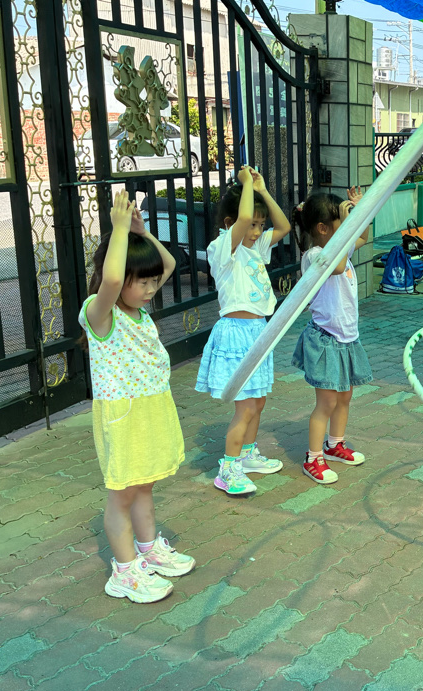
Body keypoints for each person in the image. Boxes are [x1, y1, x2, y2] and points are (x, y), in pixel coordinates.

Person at [79, 191, 193, 603]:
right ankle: (124, 571)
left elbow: (169, 264)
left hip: (151, 408)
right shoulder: (100, 314)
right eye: (141, 281)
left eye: (151, 282)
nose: (150, 289)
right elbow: (111, 280)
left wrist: (141, 234)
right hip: (124, 415)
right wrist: (118, 231)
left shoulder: (139, 312)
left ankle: (148, 551)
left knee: (144, 486)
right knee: (122, 493)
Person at [196, 166, 291, 496]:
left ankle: (247, 455)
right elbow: (244, 217)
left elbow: (284, 226)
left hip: (258, 331)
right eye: (252, 224)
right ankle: (228, 468)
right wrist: (246, 184)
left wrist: (262, 190)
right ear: (230, 223)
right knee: (246, 406)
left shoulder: (256, 248)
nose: (257, 230)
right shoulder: (224, 247)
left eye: (260, 225)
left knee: (259, 401)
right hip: (236, 333)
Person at [290, 189, 374, 484]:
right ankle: (313, 458)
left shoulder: (339, 247)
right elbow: (337, 267)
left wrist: (361, 212)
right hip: (326, 340)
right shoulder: (316, 256)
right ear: (323, 229)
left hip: (346, 338)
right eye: (342, 222)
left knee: (345, 397)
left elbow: (362, 237)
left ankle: (335, 444)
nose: (348, 226)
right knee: (326, 402)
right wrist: (348, 226)